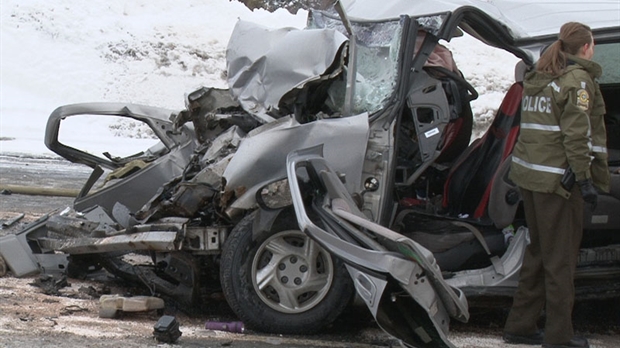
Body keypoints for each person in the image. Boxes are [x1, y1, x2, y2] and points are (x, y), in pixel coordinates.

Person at [503, 22, 610, 348]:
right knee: (560, 260)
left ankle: (520, 325)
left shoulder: (540, 78)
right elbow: (577, 136)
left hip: (532, 180)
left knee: (539, 252)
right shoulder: (577, 82)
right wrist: (583, 178)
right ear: (587, 48)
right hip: (557, 185)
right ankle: (559, 337)